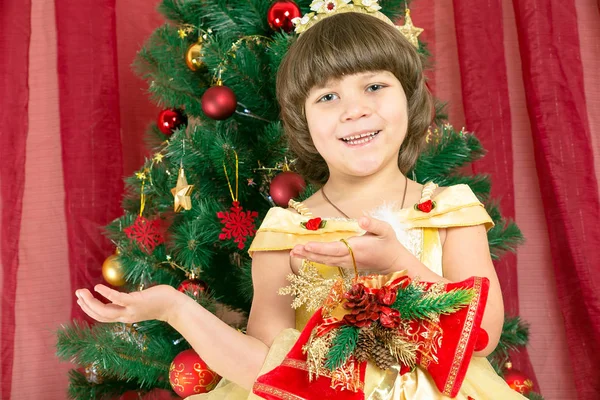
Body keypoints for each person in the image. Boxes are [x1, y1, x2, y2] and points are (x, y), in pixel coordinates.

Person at [75, 4, 527, 399]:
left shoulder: (450, 211)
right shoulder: (285, 234)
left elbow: (482, 336)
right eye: (328, 96)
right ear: (302, 123)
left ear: (409, 101)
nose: (354, 109)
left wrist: (399, 263)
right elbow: (262, 370)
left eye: (374, 87)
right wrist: (175, 308)